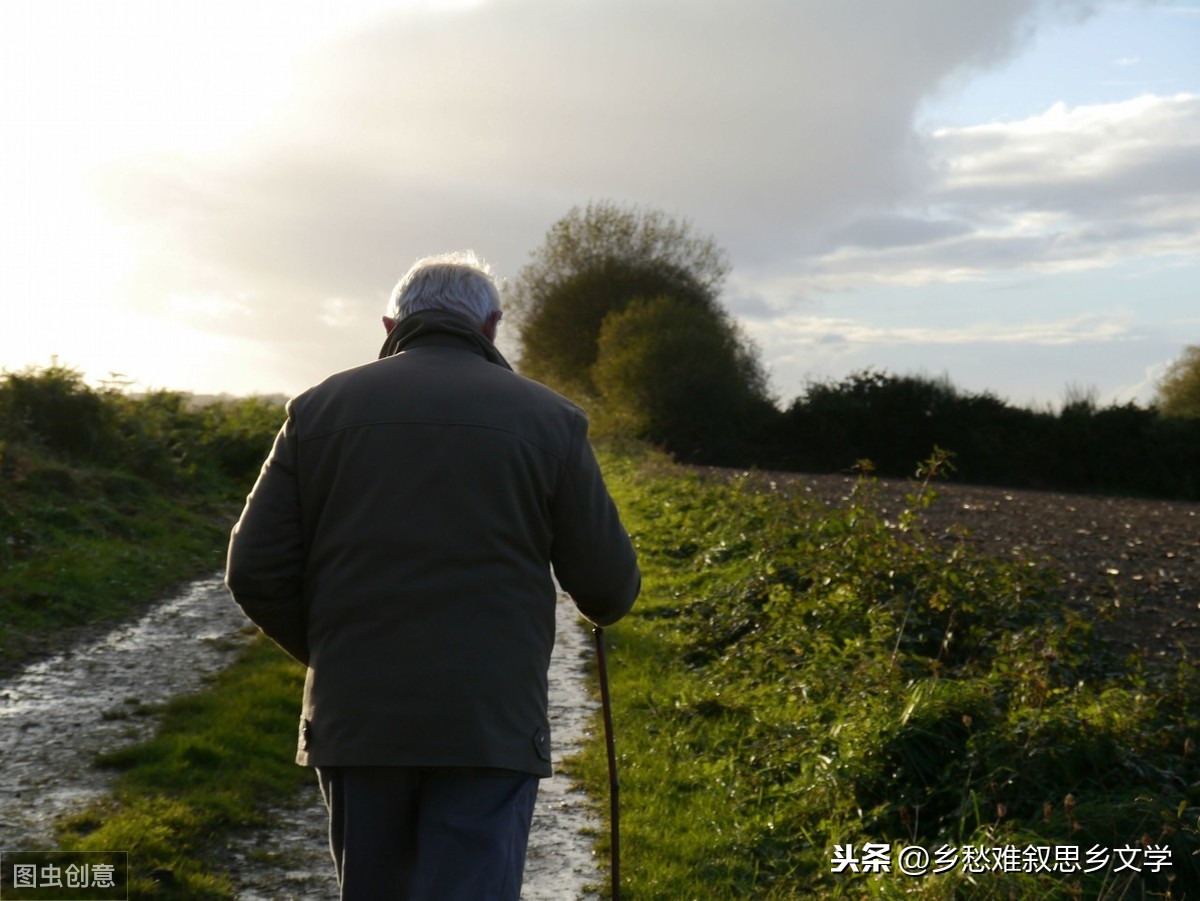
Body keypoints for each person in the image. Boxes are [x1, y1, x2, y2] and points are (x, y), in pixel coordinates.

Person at [225, 250, 640, 900]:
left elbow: (252, 568)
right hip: (489, 719)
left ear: (391, 324)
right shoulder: (552, 421)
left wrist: (335, 650)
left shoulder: (316, 410)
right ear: (492, 326)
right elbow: (609, 590)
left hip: (359, 714)